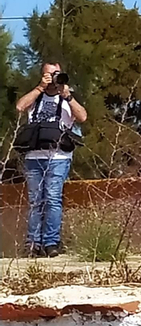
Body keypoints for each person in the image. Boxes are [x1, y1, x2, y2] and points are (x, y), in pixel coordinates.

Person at [14, 62, 87, 257]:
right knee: (35, 201)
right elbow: (20, 106)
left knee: (53, 199)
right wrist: (40, 87)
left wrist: (68, 96)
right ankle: (32, 243)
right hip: (34, 157)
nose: (53, 78)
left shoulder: (67, 98)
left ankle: (51, 243)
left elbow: (82, 117)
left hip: (58, 156)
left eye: (57, 74)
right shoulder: (36, 97)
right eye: (49, 74)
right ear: (43, 75)